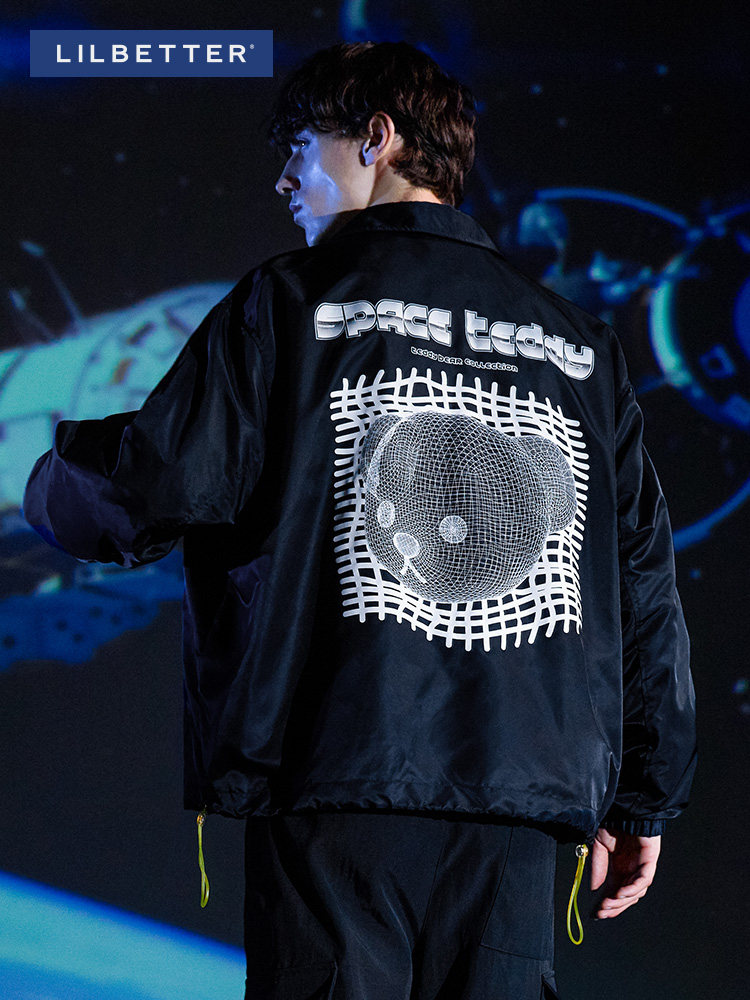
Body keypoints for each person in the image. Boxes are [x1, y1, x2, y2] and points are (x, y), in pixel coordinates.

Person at [23, 41, 696, 999]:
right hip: (518, 801)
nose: (284, 180)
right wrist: (643, 798)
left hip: (336, 773)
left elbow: (153, 484)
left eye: (301, 148)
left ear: (376, 138)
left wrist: (48, 478)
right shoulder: (578, 346)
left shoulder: (290, 302)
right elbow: (642, 583)